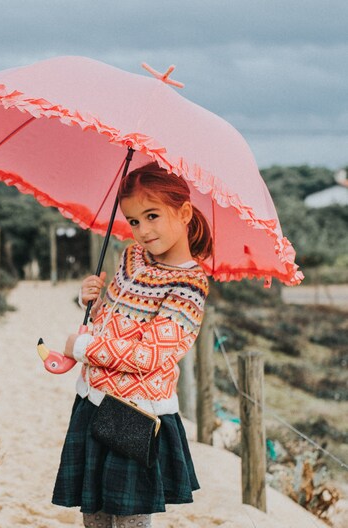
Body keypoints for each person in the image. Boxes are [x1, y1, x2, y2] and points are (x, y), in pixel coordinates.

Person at [51, 161, 212, 528]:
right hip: (94, 400)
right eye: (134, 220)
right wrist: (89, 300)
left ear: (184, 212)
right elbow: (110, 319)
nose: (142, 230)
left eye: (152, 215)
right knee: (93, 515)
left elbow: (150, 355)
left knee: (127, 520)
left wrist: (83, 349)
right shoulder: (131, 256)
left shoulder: (189, 286)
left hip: (134, 413)